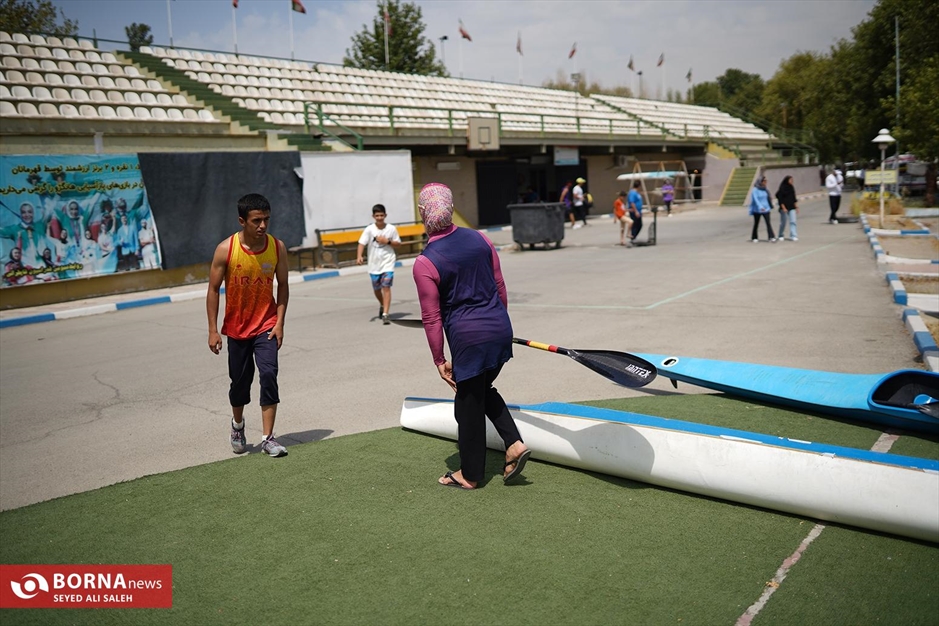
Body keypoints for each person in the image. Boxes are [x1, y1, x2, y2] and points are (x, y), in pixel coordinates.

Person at [413, 182, 531, 490]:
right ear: (450, 208)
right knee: (478, 391)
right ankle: (514, 443)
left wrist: (439, 359)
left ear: (423, 213)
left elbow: (431, 317)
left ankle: (471, 474)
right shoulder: (480, 239)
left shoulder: (425, 262)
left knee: (467, 406)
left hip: (469, 340)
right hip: (500, 330)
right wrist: (499, 324)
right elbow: (500, 286)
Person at [207, 193, 290, 458]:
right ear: (242, 220)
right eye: (256, 220)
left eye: (266, 219)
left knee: (268, 375)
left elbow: (284, 285)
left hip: (266, 324)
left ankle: (268, 438)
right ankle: (238, 426)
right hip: (237, 328)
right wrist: (212, 329)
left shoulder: (277, 247)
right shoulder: (225, 249)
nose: (263, 225)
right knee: (240, 383)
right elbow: (213, 289)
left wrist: (279, 322)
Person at [357, 203, 401, 325]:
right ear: (373, 216)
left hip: (388, 262)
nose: (380, 218)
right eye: (377, 215)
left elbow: (398, 244)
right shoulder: (369, 229)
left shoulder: (391, 229)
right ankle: (382, 304)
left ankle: (386, 314)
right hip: (374, 264)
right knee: (377, 289)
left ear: (385, 215)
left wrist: (387, 241)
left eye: (382, 215)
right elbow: (361, 243)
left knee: (386, 287)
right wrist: (359, 256)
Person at [749, 176, 776, 242]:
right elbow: (756, 199)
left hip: (766, 208)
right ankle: (754, 237)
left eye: (766, 181)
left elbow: (767, 198)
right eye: (764, 181)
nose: (765, 182)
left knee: (768, 223)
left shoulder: (765, 189)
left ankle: (771, 236)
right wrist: (760, 207)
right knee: (756, 223)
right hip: (757, 210)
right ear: (760, 182)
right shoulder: (755, 190)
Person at [775, 176, 798, 241]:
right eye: (790, 180)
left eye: (792, 180)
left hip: (791, 207)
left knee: (793, 221)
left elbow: (794, 198)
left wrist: (796, 206)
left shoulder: (791, 188)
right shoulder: (782, 188)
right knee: (783, 222)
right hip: (784, 208)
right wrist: (783, 208)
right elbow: (780, 199)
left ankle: (793, 235)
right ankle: (780, 234)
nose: (792, 181)